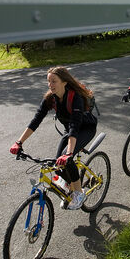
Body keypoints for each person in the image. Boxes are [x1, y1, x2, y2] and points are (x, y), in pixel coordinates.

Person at [10, 66, 97, 210]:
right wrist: (19, 142)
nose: (50, 85)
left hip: (85, 129)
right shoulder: (50, 98)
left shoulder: (75, 98)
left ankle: (79, 193)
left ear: (64, 82)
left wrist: (69, 153)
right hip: (69, 131)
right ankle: (70, 186)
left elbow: (75, 127)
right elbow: (36, 120)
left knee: (66, 158)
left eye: (54, 81)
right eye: (48, 82)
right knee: (58, 167)